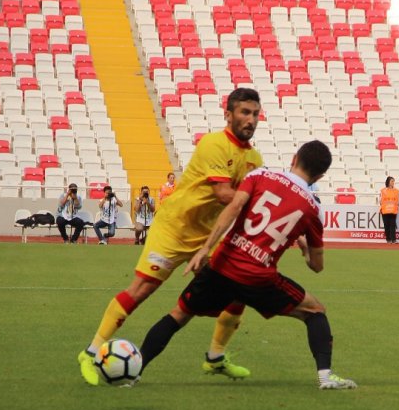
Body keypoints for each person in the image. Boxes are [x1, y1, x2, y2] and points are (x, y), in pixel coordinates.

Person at [78, 87, 264, 385]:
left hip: (206, 236)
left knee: (238, 286)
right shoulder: (214, 144)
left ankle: (215, 357)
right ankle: (89, 352)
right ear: (228, 115)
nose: (250, 119)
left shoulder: (254, 158)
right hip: (174, 228)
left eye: (255, 114)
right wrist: (261, 205)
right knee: (141, 290)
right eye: (244, 112)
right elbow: (224, 193)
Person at [138, 140, 357, 390]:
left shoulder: (261, 175)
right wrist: (306, 249)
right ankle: (325, 376)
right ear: (320, 175)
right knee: (315, 311)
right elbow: (317, 266)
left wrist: (207, 247)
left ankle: (135, 370)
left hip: (223, 265)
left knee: (178, 315)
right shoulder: (313, 209)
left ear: (294, 158)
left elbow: (233, 208)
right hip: (258, 278)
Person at [379, 176, 399, 244]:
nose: (393, 182)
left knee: (393, 225)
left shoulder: (396, 191)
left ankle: (393, 240)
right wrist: (381, 208)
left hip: (393, 210)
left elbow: (397, 201)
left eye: (393, 181)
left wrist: (396, 208)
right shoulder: (383, 191)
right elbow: (381, 201)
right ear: (388, 182)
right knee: (386, 225)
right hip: (385, 210)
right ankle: (388, 239)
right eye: (392, 181)